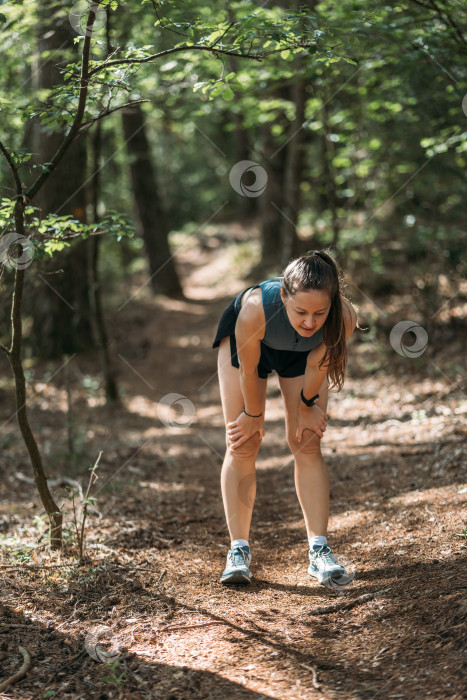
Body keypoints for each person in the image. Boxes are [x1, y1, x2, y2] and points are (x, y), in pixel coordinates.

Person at [212, 250, 358, 588]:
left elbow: (320, 362)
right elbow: (249, 369)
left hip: (303, 357)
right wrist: (252, 415)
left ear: (333, 304)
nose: (310, 322)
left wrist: (308, 404)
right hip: (248, 348)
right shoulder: (253, 310)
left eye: (320, 313)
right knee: (243, 442)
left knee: (306, 441)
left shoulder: (344, 317)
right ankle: (238, 550)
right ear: (283, 296)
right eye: (301, 311)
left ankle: (319, 550)